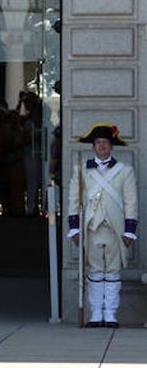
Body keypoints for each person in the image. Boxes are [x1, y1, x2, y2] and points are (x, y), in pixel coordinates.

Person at [68, 123, 138, 327]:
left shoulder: (125, 171)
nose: (101, 146)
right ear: (93, 147)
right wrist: (74, 228)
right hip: (91, 228)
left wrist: (130, 230)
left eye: (105, 143)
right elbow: (74, 200)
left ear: (111, 146)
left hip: (115, 229)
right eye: (98, 143)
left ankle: (111, 314)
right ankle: (96, 313)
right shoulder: (81, 170)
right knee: (95, 271)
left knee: (113, 271)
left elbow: (131, 201)